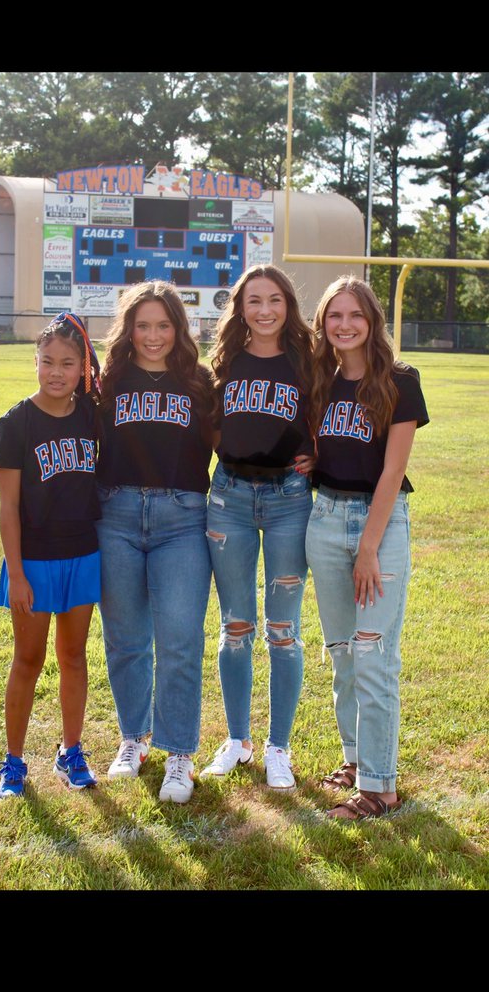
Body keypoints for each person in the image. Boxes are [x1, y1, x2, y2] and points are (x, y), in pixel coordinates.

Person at [301, 275, 429, 819]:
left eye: (355, 315)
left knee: (375, 657)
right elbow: (325, 450)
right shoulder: (320, 382)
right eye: (335, 315)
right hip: (325, 518)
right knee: (343, 656)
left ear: (372, 320)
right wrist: (309, 461)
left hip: (379, 524)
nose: (345, 325)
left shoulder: (400, 380)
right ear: (323, 323)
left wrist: (370, 548)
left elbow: (391, 470)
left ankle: (380, 788)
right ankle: (356, 762)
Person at [97, 280, 214, 804]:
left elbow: (232, 442)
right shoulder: (108, 381)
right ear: (128, 328)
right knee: (125, 639)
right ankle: (133, 738)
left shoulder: (199, 381)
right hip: (116, 514)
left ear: (178, 328)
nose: (152, 335)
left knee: (179, 640)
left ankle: (179, 754)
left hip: (182, 518)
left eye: (163, 325)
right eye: (142, 325)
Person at [202, 264, 315, 790]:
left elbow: (325, 421)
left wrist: (316, 454)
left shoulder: (309, 362)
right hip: (229, 497)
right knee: (235, 627)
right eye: (254, 301)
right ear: (240, 307)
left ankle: (279, 747)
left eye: (274, 300)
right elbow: (211, 426)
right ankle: (238, 740)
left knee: (283, 631)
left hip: (289, 500)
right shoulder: (224, 360)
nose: (265, 310)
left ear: (288, 305)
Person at [0, 312, 102, 799]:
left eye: (67, 363)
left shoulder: (92, 416)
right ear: (34, 362)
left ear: (83, 368)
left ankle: (70, 751)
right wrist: (16, 574)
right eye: (47, 362)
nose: (56, 372)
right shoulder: (15, 423)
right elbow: (8, 507)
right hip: (33, 560)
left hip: (82, 553)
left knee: (74, 657)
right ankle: (14, 763)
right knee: (29, 658)